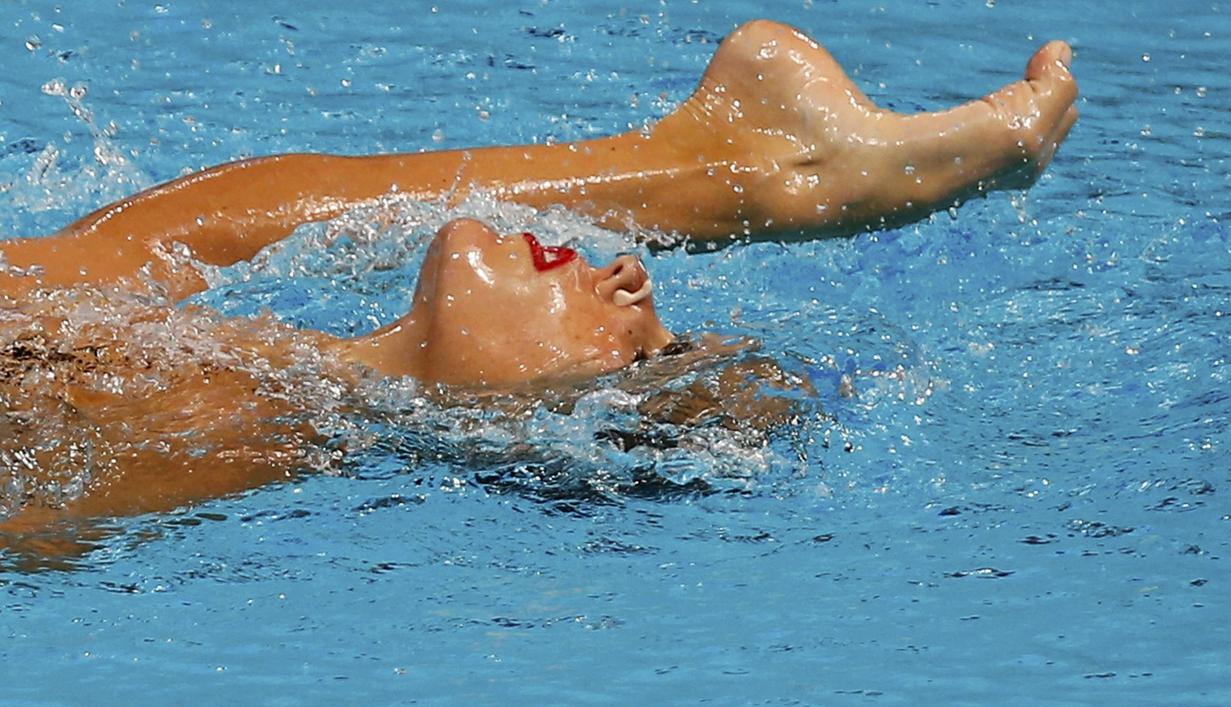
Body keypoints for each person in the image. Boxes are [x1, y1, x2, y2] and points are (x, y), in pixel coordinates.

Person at [0, 20, 1077, 552]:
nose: (627, 276)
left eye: (644, 341)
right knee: (113, 254)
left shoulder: (243, 424)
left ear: (542, 416)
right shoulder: (261, 364)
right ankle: (732, 168)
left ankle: (737, 171)